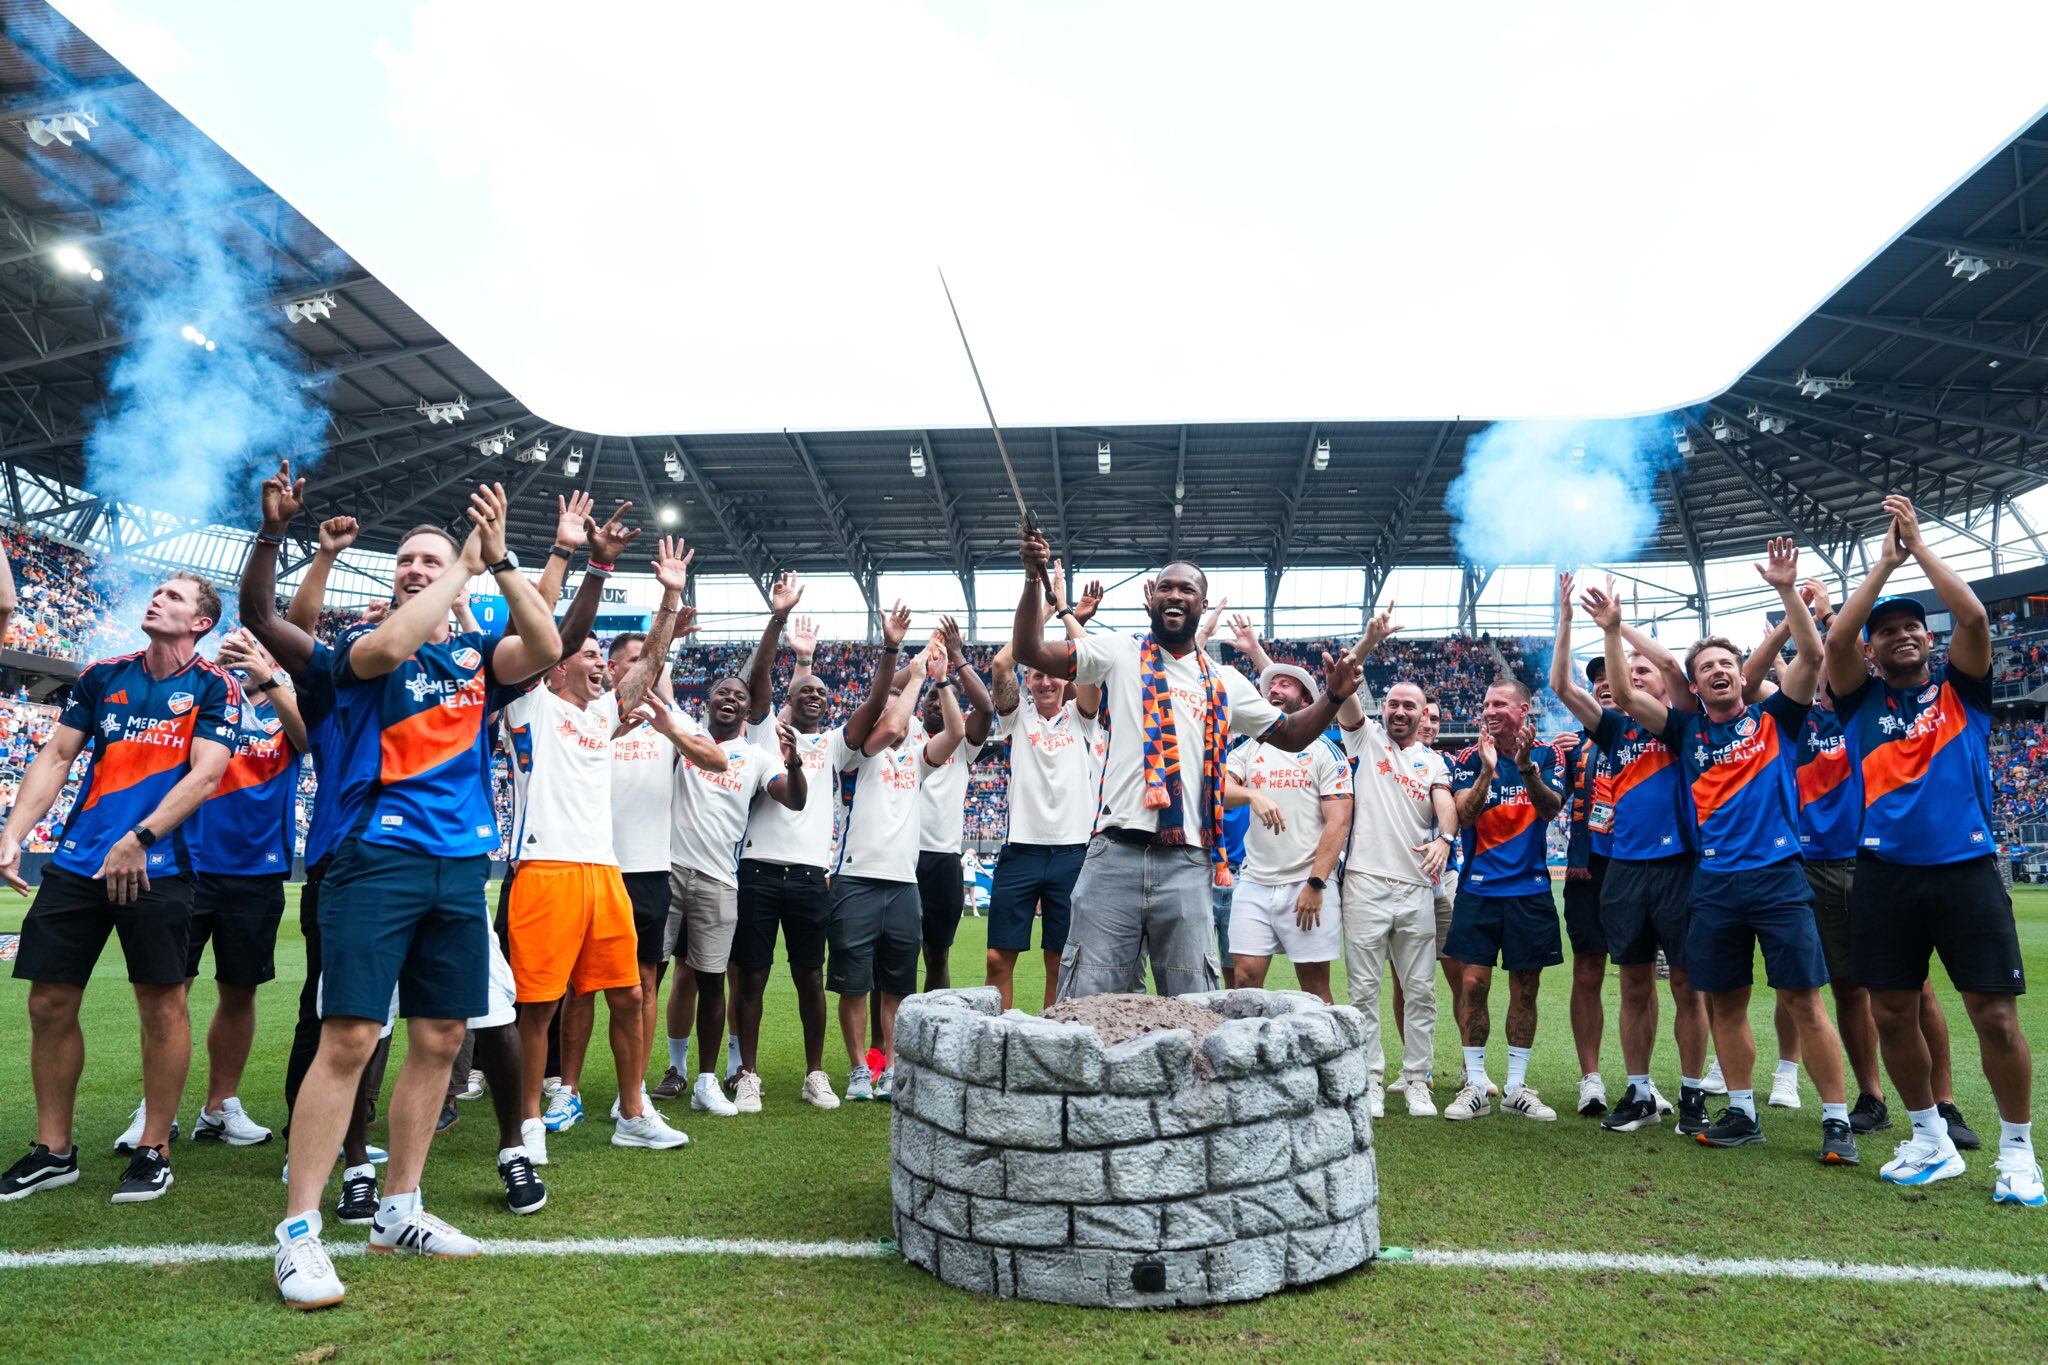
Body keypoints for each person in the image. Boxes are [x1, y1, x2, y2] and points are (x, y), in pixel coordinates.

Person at [272, 483, 562, 1310]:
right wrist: (460, 568)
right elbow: (391, 645)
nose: (413, 567)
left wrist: (501, 561)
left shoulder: (477, 658)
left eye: (429, 558)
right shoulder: (364, 645)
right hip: (376, 859)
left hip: (459, 865)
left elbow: (543, 644)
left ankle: (400, 1208)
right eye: (404, 559)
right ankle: (298, 1230)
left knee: (441, 1036)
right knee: (351, 1036)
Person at [1595, 538, 1856, 1167]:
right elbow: (1626, 698)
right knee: (1726, 1003)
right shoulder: (1684, 730)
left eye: (1726, 663)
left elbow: (1812, 655)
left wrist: (1788, 593)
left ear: (1743, 676)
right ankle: (1741, 1110)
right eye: (1706, 666)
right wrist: (1613, 631)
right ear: (1693, 683)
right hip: (1713, 882)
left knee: (1803, 1001)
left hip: (1776, 875)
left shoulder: (1777, 719)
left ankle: (1837, 1120)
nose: (1717, 671)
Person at [1008, 530, 1357, 1000]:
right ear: (1151, 600)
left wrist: (1332, 697)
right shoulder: (1118, 652)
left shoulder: (1226, 681)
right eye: (1166, 587)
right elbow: (1030, 652)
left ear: (1201, 603)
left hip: (1188, 863)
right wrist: (1033, 580)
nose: (1175, 595)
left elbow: (1291, 735)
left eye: (1186, 589)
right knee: (1091, 997)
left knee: (1193, 1003)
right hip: (1115, 854)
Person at [1826, 496, 2038, 1204]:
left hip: (1966, 870)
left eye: (1912, 626)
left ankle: (2017, 1151)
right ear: (1873, 649)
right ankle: (1928, 1137)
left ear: (1928, 637)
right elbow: (1836, 642)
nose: (1902, 635)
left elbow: (1972, 618)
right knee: (1891, 1011)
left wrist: (1918, 550)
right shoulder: (1860, 703)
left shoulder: (1962, 693)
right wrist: (1883, 565)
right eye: (1887, 630)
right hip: (1884, 873)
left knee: (1995, 1015)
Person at [0, 574, 236, 1205]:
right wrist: (13, 833)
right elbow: (56, 757)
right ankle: (54, 1151)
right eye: (157, 592)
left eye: (174, 596)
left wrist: (141, 837)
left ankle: (153, 1148)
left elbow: (207, 775)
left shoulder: (216, 686)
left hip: (160, 867)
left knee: (162, 1005)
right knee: (48, 1002)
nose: (158, 599)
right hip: (78, 861)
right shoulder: (103, 675)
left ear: (202, 622)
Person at [500, 537, 697, 1163]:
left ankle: (632, 1113)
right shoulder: (528, 706)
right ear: (554, 665)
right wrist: (583, 562)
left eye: (599, 657)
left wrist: (670, 598)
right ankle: (529, 1122)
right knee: (539, 1006)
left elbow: (650, 665)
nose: (599, 664)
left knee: (630, 994)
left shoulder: (600, 717)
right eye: (586, 654)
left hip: (604, 872)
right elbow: (535, 635)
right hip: (545, 868)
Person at [1554, 575, 1708, 1137]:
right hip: (1623, 869)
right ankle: (1639, 1091)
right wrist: (1568, 621)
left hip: (1679, 867)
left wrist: (1617, 632)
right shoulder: (1616, 730)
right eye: (1629, 671)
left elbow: (1640, 675)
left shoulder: (1684, 724)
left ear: (1666, 683)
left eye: (1644, 671)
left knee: (1687, 986)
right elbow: (1562, 686)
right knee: (1634, 984)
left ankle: (1692, 1093)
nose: (1633, 676)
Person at [180, 628, 310, 1148]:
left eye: (255, 646)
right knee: (168, 991)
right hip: (188, 863)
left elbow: (310, 740)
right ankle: (154, 1106)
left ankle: (220, 1106)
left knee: (239, 991)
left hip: (257, 869)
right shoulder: (202, 693)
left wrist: (268, 677)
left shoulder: (288, 703)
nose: (243, 654)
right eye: (236, 646)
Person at [1334, 605, 1456, 1119]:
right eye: (1393, 704)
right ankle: (1368, 1078)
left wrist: (1445, 837)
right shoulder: (1364, 738)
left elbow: (1445, 801)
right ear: (1382, 709)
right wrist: (1369, 641)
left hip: (1415, 887)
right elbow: (1342, 683)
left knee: (1421, 990)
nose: (1400, 711)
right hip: (1364, 882)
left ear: (1424, 714)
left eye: (1410, 705)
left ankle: (1416, 1079)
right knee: (1363, 990)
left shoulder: (1433, 760)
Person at [828, 621, 956, 1099]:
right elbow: (891, 725)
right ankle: (859, 1070)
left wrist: (941, 679)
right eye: (888, 706)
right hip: (856, 880)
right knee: (854, 986)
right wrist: (916, 673)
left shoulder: (914, 759)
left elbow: (956, 732)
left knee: (897, 987)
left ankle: (891, 1070)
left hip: (904, 884)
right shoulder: (858, 753)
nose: (896, 715)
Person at [728, 592, 841, 1110]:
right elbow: (760, 681)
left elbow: (810, 690)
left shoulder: (832, 741)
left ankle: (815, 1073)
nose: (813, 695)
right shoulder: (765, 730)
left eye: (821, 691)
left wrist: (807, 662)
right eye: (804, 690)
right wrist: (779, 622)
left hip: (811, 874)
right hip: (758, 870)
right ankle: (747, 1074)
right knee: (751, 975)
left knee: (809, 977)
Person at [1442, 677, 1565, 1122]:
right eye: (1486, 704)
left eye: (1499, 704)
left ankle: (1515, 1087)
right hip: (1478, 891)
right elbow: (1463, 815)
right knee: (1473, 985)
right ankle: (1476, 1084)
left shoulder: (1548, 755)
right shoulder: (1469, 757)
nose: (1489, 711)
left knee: (1526, 990)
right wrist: (1487, 771)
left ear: (1523, 710)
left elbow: (1551, 809)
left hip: (1530, 892)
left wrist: (1526, 767)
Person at [984, 575, 1101, 1010]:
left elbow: (1092, 663)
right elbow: (1001, 665)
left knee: (1059, 959)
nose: (1046, 682)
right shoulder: (1017, 718)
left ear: (1067, 679)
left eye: (1054, 674)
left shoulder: (1082, 716)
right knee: (998, 957)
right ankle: (999, 1035)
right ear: (1028, 682)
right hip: (1021, 850)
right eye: (1036, 675)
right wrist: (1046, 612)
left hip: (1073, 851)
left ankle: (1051, 1036)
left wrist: (1070, 615)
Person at [1221, 664, 1353, 1002]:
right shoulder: (1248, 748)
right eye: (1271, 685)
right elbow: (1218, 789)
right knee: (1244, 979)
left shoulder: (1325, 750)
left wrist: (1316, 883)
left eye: (1284, 685)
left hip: (1306, 881)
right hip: (1254, 880)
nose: (1274, 690)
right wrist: (1251, 794)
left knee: (1314, 985)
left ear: (1306, 700)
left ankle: (1325, 1041)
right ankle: (1250, 1040)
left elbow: (1338, 821)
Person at [913, 616, 993, 989]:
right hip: (902, 856)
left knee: (937, 955)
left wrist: (956, 657)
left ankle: (936, 1020)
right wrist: (922, 663)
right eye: (929, 698)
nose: (934, 703)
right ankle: (889, 1027)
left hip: (943, 859)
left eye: (941, 698)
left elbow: (986, 709)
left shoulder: (962, 745)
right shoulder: (906, 735)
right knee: (894, 954)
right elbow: (890, 691)